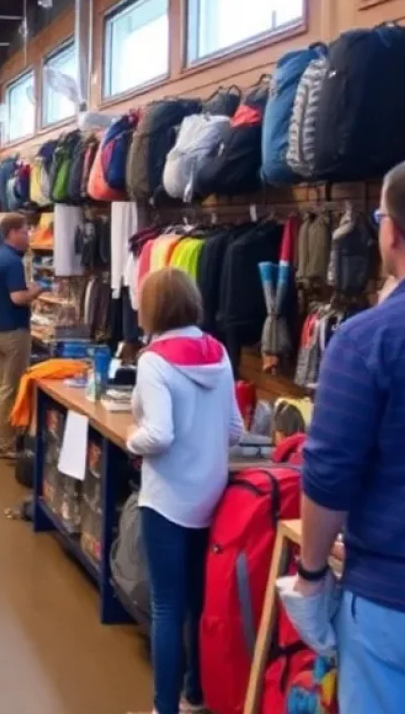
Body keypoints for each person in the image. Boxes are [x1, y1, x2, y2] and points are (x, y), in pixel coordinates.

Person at [298, 158, 405, 713]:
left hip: (399, 605)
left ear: (393, 231)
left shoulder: (368, 339)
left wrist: (311, 574)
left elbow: (329, 473)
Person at [126, 267, 243, 714]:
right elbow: (234, 428)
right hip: (213, 496)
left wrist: (131, 440)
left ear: (154, 306)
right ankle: (195, 694)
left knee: (167, 607)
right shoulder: (218, 352)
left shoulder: (154, 360)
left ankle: (163, 708)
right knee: (199, 600)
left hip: (168, 499)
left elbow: (158, 434)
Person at [0, 214, 41, 459]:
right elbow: (17, 297)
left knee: (2, 386)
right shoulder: (12, 262)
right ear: (13, 233)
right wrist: (37, 290)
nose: (28, 235)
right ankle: (4, 443)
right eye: (25, 231)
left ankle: (1, 436)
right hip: (14, 333)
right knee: (10, 387)